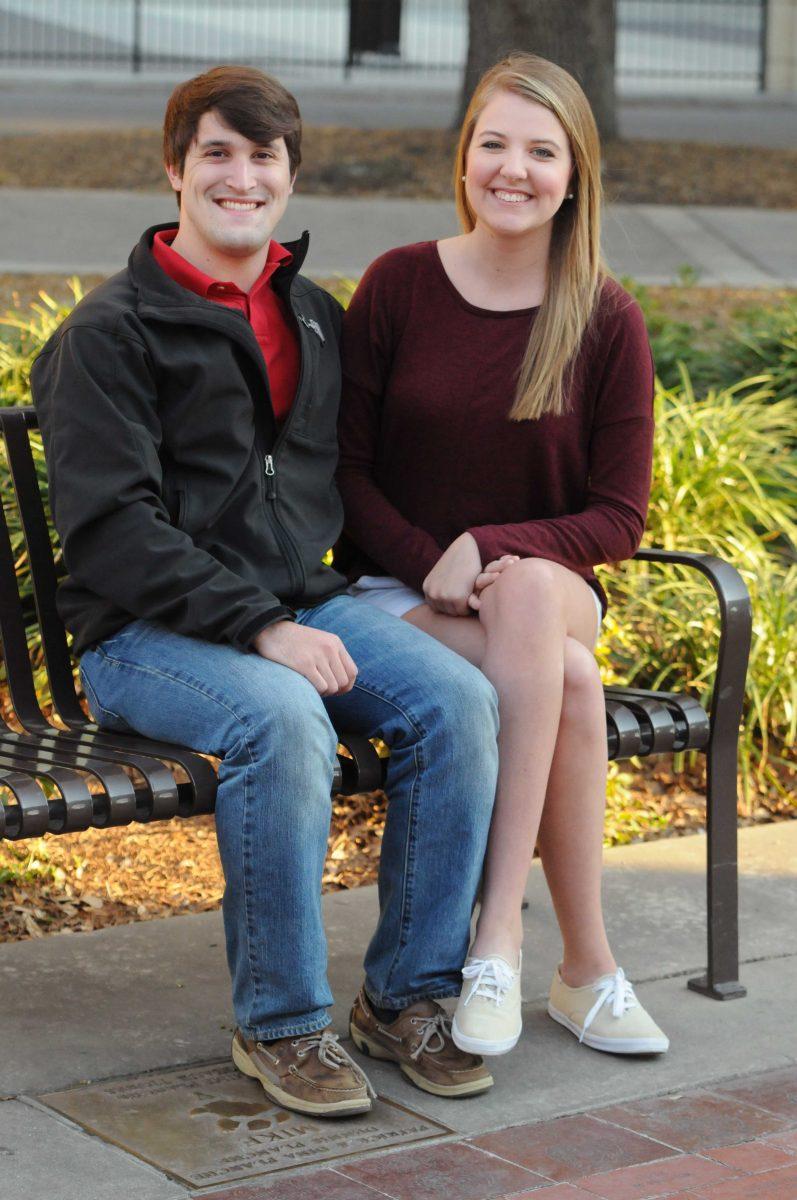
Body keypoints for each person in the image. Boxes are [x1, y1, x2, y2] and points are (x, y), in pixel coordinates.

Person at [31, 65, 502, 1118]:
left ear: (289, 177)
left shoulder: (312, 316)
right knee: (285, 721)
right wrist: (258, 627)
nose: (241, 177)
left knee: (457, 702)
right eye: (218, 154)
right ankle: (281, 1024)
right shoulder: (108, 336)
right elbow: (110, 533)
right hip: (144, 635)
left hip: (297, 605)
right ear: (175, 168)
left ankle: (408, 997)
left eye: (263, 156)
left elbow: (336, 477)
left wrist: (442, 561)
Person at [338, 52, 669, 1059]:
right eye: (493, 144)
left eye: (540, 150)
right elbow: (342, 476)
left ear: (575, 173)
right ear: (464, 157)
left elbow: (617, 517)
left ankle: (492, 934)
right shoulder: (398, 286)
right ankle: (584, 969)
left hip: (547, 588)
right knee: (565, 679)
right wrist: (430, 558)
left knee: (530, 599)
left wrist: (488, 546)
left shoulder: (603, 316)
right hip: (403, 595)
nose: (511, 169)